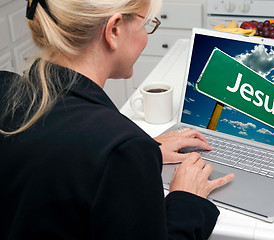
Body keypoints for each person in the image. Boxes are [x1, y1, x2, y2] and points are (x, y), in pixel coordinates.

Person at [0, 0, 234, 239]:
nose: (146, 36)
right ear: (114, 30)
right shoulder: (121, 148)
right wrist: (187, 199)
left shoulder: (4, 87)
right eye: (146, 25)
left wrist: (140, 153)